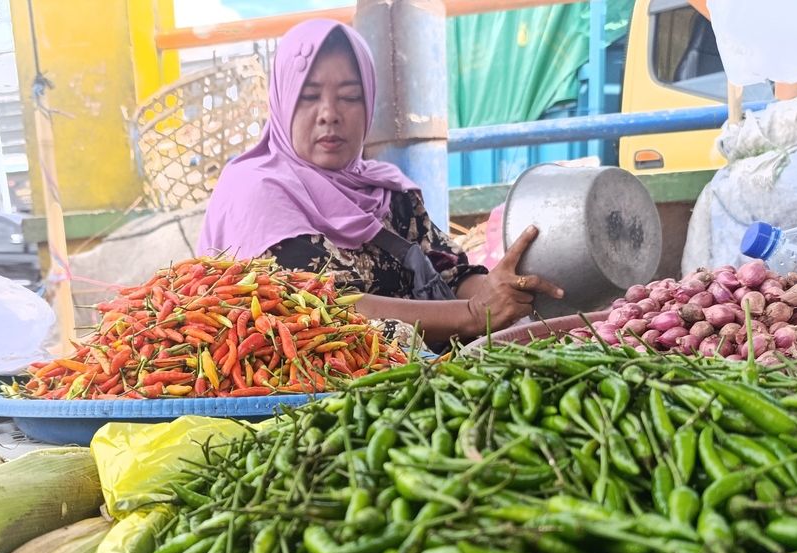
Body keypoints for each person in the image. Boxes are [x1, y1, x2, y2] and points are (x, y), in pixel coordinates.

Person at [198, 19, 563, 347]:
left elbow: (448, 270)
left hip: (400, 385)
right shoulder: (256, 192)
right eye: (308, 97)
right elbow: (321, 306)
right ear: (282, 102)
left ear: (369, 102)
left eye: (349, 97)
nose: (329, 114)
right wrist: (472, 314)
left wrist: (504, 292)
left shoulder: (386, 191)